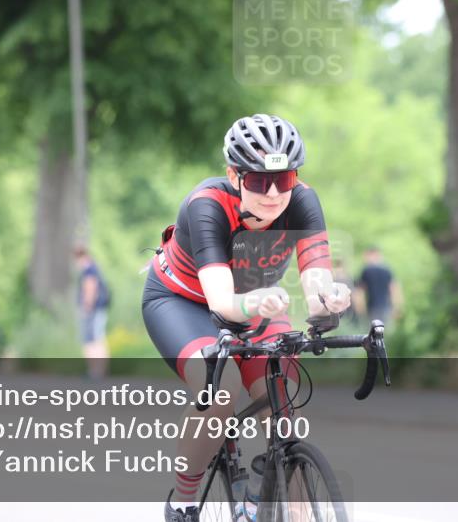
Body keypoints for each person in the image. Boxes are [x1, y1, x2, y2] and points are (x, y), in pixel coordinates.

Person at [142, 114, 352, 522]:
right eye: (258, 181)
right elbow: (222, 303)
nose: (274, 193)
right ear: (234, 175)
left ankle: (288, 504)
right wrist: (255, 303)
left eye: (285, 179)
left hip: (257, 301)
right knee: (222, 389)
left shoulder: (304, 202)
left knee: (283, 396)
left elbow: (316, 287)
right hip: (184, 303)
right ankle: (184, 500)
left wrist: (331, 300)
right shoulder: (207, 206)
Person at [74, 246, 111, 378]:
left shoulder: (88, 269)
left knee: (91, 340)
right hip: (99, 308)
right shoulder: (94, 267)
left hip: (92, 310)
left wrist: (86, 307)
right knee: (99, 338)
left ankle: (95, 372)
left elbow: (90, 288)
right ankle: (99, 372)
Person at [355, 246, 404, 325]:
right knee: (385, 333)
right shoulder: (387, 269)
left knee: (373, 332)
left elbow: (359, 291)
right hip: (387, 308)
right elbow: (395, 289)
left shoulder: (366, 270)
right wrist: (397, 307)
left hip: (372, 308)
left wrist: (360, 308)